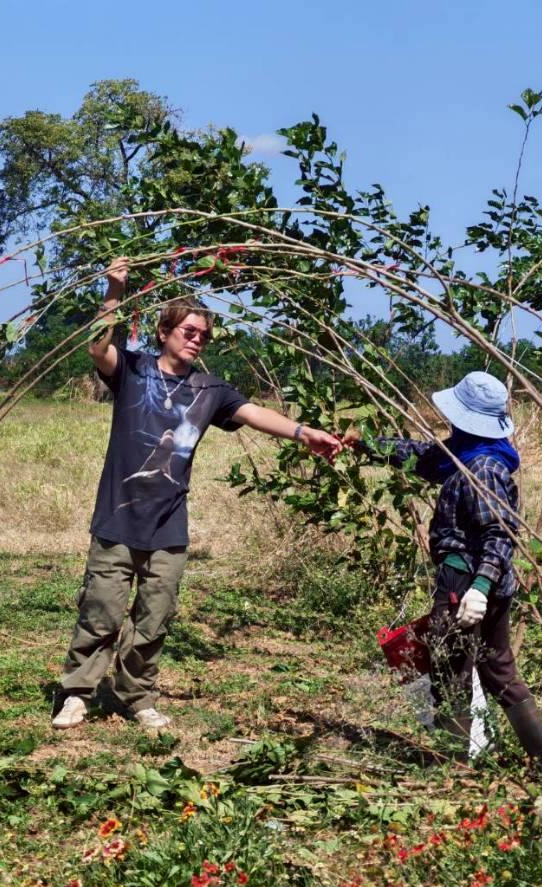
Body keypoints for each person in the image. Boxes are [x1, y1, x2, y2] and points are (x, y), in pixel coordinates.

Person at [52, 257, 342, 730]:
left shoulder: (210, 389)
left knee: (155, 616)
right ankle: (78, 694)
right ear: (164, 331)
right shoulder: (132, 370)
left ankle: (136, 695)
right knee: (101, 609)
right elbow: (97, 346)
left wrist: (303, 432)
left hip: (168, 524)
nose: (196, 339)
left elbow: (254, 413)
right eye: (188, 330)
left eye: (203, 335)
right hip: (117, 518)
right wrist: (113, 291)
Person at [347, 371, 542, 770]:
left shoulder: (484, 468)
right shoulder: (467, 454)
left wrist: (478, 588)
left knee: (449, 674)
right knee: (498, 670)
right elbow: (421, 455)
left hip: (467, 583)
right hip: (480, 584)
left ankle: (451, 767)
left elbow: (499, 534)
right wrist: (366, 444)